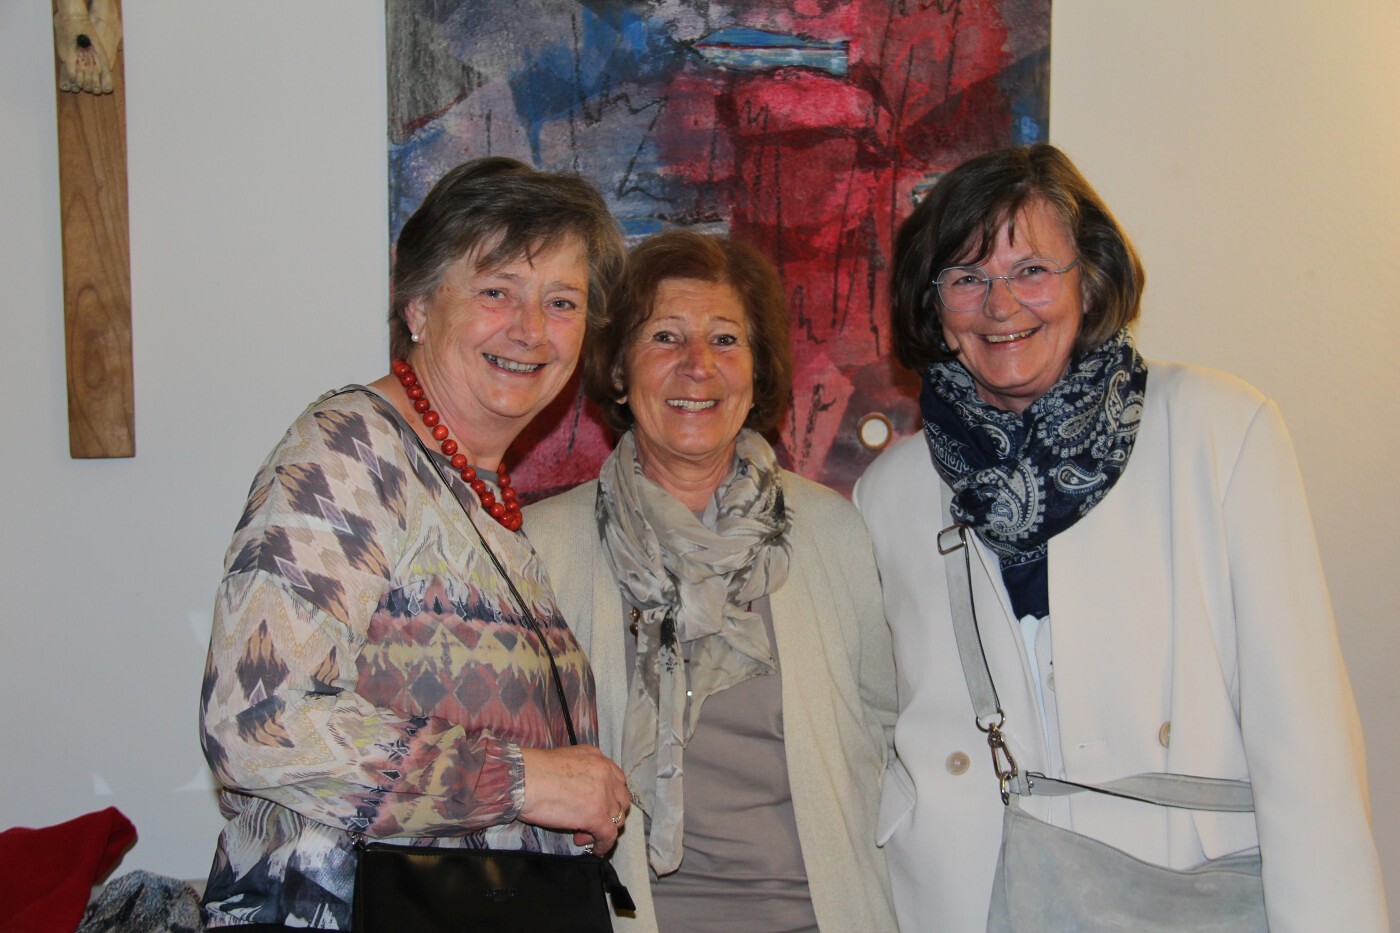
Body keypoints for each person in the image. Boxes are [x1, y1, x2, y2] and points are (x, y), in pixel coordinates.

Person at [855, 143, 1388, 930]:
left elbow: (1303, 735)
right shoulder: (889, 493)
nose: (1002, 305)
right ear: (934, 306)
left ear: (1091, 277)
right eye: (967, 278)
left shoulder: (1217, 431)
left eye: (1033, 269)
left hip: (1178, 888)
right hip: (964, 896)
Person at [198, 157, 631, 929]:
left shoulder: (479, 492)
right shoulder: (351, 452)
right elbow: (260, 723)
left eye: (561, 302)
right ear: (420, 305)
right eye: (497, 290)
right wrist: (525, 780)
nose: (531, 329)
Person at [526, 230, 899, 932]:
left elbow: (887, 735)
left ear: (757, 374)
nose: (697, 365)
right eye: (665, 337)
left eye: (725, 340)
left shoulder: (830, 531)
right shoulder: (542, 549)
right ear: (618, 372)